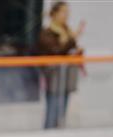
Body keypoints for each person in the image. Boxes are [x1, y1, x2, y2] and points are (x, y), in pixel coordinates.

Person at [37, 1, 85, 129]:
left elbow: (67, 50)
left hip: (66, 77)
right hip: (53, 77)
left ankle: (58, 133)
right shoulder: (47, 33)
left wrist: (76, 50)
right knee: (53, 109)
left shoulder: (67, 31)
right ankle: (48, 134)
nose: (66, 15)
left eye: (67, 12)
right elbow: (57, 51)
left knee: (62, 112)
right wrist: (72, 40)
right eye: (63, 12)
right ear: (54, 14)